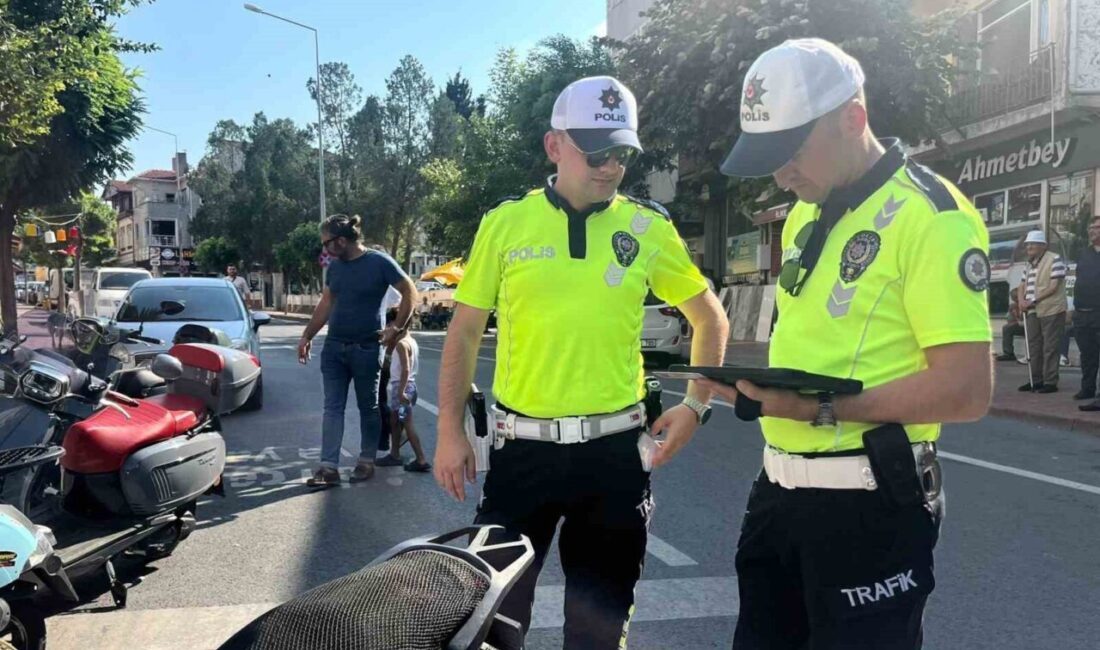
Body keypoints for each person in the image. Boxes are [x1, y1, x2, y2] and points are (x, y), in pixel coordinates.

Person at [713, 38, 992, 650]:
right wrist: (755, 383)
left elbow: (967, 390)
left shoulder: (932, 215)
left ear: (853, 119)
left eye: (790, 152)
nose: (780, 173)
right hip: (778, 497)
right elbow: (822, 344)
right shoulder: (805, 214)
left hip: (869, 507)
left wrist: (820, 409)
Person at [433, 75, 729, 648]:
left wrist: (696, 406)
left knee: (599, 632)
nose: (610, 166)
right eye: (596, 152)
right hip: (522, 456)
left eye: (622, 153)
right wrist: (448, 428)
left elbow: (710, 317)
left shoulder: (647, 226)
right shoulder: (505, 223)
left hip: (614, 459)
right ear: (555, 146)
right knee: (492, 626)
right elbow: (465, 333)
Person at [297, 215, 417, 487]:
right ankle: (329, 468)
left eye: (326, 244)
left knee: (368, 407)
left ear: (341, 240)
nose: (324, 250)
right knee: (332, 408)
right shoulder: (336, 268)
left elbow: (410, 291)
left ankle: (366, 461)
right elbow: (326, 303)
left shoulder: (379, 262)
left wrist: (397, 328)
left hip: (366, 348)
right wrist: (307, 335)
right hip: (334, 349)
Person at [376, 309, 431, 472]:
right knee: (395, 421)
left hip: (402, 388)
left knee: (406, 422)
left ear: (397, 324)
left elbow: (406, 369)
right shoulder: (410, 341)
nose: (388, 326)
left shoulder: (401, 344)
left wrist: (400, 393)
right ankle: (394, 454)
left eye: (390, 323)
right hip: (408, 387)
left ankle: (420, 459)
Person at [1018, 229, 1067, 393]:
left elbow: (1053, 287)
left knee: (1050, 347)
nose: (1029, 247)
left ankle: (1050, 382)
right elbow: (1022, 285)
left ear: (1043, 246)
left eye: (1033, 244)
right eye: (1027, 244)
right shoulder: (1029, 263)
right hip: (1032, 310)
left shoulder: (1055, 259)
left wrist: (1032, 300)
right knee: (1033, 346)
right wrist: (1021, 301)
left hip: (1051, 309)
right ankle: (1035, 380)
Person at [1076, 218, 1100, 409]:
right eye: (1090, 227)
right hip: (1082, 312)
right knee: (1087, 354)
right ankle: (1087, 388)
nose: (1092, 231)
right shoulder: (1084, 253)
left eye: (1097, 228)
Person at [996, 283, 1025, 361]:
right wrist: (1013, 314)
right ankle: (1008, 353)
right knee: (1007, 328)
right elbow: (1010, 321)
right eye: (1013, 298)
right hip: (1021, 326)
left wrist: (1019, 319)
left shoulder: (1027, 304)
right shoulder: (1013, 306)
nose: (1015, 300)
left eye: (1016, 298)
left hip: (1031, 326)